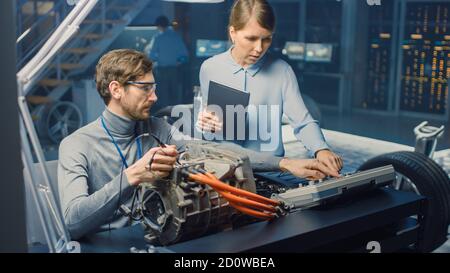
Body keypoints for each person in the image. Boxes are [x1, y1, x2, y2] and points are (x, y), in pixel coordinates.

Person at [58, 49, 339, 240]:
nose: (154, 97)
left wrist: (285, 163)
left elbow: (218, 153)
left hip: (164, 237)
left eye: (154, 87)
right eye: (146, 88)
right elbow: (72, 222)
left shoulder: (159, 128)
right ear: (116, 89)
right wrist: (132, 176)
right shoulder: (76, 145)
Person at [197, 0, 343, 173]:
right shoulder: (210, 68)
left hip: (271, 170)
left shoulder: (282, 71)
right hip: (225, 168)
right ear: (233, 33)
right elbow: (210, 127)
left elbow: (302, 121)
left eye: (266, 39)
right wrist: (205, 123)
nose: (259, 48)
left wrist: (321, 149)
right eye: (251, 38)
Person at [148, 15, 188, 111]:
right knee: (174, 92)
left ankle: (164, 114)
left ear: (159, 26)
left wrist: (156, 60)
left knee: (163, 93)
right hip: (174, 69)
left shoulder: (158, 38)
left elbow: (152, 56)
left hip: (162, 70)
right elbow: (185, 54)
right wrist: (178, 62)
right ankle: (176, 113)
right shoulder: (176, 36)